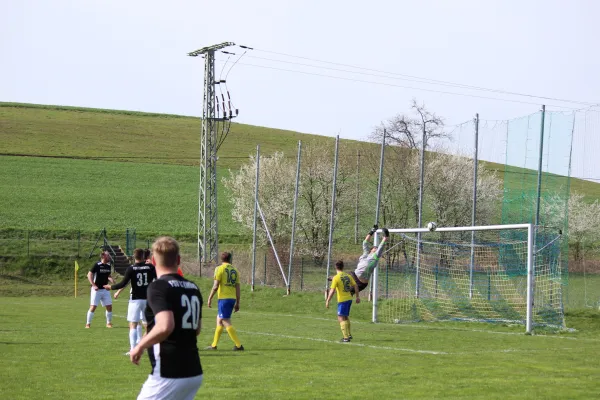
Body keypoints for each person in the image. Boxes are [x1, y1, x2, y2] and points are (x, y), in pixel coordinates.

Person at [129, 237, 204, 400]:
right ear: (178, 259)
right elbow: (196, 329)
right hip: (194, 371)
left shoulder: (158, 286)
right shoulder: (193, 288)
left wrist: (139, 346)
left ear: (154, 261)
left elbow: (165, 326)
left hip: (169, 371)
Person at [104, 248, 156, 355]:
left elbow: (123, 283)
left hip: (135, 300)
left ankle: (133, 349)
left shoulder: (131, 269)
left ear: (134, 257)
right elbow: (158, 278)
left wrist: (111, 287)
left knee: (133, 324)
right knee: (148, 325)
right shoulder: (150, 267)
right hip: (147, 300)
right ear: (143, 257)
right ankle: (150, 346)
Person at [206, 252, 244, 351]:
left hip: (224, 298)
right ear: (230, 259)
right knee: (219, 320)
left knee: (225, 321)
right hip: (232, 298)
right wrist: (238, 302)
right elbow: (238, 288)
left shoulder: (219, 269)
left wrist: (209, 298)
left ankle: (239, 345)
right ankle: (214, 345)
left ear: (221, 259)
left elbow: (215, 286)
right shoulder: (235, 270)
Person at [326, 260, 360, 342]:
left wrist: (327, 300)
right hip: (349, 299)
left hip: (342, 300)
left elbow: (332, 290)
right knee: (345, 316)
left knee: (340, 317)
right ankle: (349, 334)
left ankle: (346, 338)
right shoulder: (348, 276)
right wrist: (357, 296)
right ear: (343, 267)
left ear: (335, 267)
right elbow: (355, 285)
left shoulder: (336, 278)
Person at [350, 225, 389, 293]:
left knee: (347, 294)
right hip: (354, 277)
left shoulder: (375, 256)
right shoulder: (365, 255)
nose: (376, 248)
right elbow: (365, 242)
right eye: (375, 247)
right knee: (344, 293)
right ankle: (335, 279)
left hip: (361, 284)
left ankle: (336, 279)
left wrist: (386, 236)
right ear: (371, 250)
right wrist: (372, 231)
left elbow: (381, 246)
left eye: (377, 248)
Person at [85, 251, 115, 328]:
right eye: (108, 255)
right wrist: (94, 285)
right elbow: (89, 274)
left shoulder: (108, 266)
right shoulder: (97, 265)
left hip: (105, 289)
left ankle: (108, 323)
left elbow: (108, 275)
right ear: (103, 256)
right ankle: (88, 324)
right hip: (96, 290)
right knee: (93, 307)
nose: (109, 257)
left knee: (109, 306)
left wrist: (111, 279)